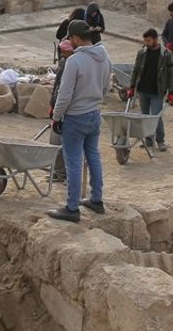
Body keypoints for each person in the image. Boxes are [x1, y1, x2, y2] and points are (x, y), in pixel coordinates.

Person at [47, 19, 111, 223]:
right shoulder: (104, 55)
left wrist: (56, 117)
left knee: (73, 162)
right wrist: (95, 99)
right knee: (93, 157)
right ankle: (96, 199)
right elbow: (107, 86)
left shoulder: (74, 61)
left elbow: (64, 95)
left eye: (70, 38)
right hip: (94, 113)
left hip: (75, 117)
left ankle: (72, 208)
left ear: (75, 38)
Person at [126, 28, 173, 151]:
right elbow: (135, 70)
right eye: (145, 41)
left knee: (156, 117)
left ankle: (160, 141)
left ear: (155, 39)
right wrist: (132, 86)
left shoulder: (166, 54)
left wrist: (172, 92)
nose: (146, 43)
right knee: (144, 116)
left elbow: (171, 74)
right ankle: (148, 140)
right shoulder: (142, 53)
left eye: (148, 40)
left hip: (157, 91)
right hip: (143, 90)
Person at [46, 38, 75, 182]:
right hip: (59, 106)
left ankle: (68, 175)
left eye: (65, 52)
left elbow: (67, 92)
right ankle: (59, 172)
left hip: (70, 110)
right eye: (61, 52)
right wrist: (52, 105)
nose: (63, 55)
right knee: (55, 142)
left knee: (67, 145)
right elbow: (57, 86)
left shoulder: (75, 65)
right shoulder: (63, 64)